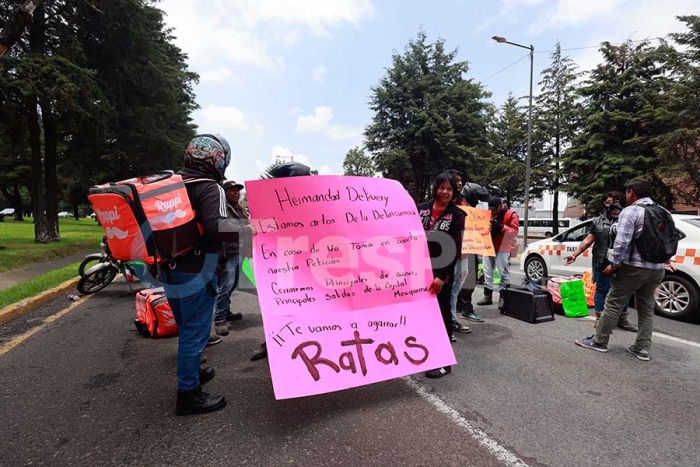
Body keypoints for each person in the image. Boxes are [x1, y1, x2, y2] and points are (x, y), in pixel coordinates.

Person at [160, 134, 255, 416]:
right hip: (198, 271)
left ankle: (194, 373)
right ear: (218, 159)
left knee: (186, 328)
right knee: (194, 333)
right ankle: (188, 394)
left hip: (169, 269)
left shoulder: (172, 185)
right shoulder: (210, 187)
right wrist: (252, 229)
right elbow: (218, 228)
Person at [575, 180, 669, 361]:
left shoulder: (631, 211)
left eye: (627, 193)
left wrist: (614, 264)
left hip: (633, 268)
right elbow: (669, 239)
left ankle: (599, 341)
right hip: (656, 269)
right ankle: (641, 348)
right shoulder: (662, 211)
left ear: (631, 192)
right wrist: (665, 260)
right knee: (646, 309)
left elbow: (621, 242)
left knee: (613, 303)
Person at [249, 161, 313, 362]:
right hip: (281, 264)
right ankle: (272, 342)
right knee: (279, 305)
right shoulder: (267, 205)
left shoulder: (315, 201)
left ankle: (318, 338)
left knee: (311, 304)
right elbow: (258, 230)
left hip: (311, 264)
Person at [564, 191, 637, 331]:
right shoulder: (597, 221)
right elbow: (589, 239)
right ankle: (600, 319)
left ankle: (623, 319)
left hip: (622, 261)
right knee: (602, 290)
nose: (613, 206)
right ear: (604, 204)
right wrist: (575, 254)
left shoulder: (627, 221)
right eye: (609, 202)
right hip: (601, 259)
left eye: (616, 202)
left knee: (624, 291)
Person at [417, 172, 466, 379]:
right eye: (442, 187)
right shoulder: (420, 209)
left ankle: (444, 362)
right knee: (422, 315)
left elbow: (453, 246)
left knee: (442, 314)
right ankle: (424, 354)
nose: (445, 192)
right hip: (417, 270)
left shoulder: (456, 215)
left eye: (449, 189)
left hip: (440, 274)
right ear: (435, 187)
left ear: (454, 192)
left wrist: (442, 276)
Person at [213, 180, 248, 337]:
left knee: (232, 285)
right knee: (225, 286)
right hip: (229, 253)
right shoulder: (223, 208)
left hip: (241, 251)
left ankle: (226, 312)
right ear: (225, 192)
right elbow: (223, 227)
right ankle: (219, 320)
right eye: (232, 190)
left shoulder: (238, 208)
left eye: (238, 190)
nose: (236, 193)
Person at [445, 169, 474, 334]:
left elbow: (474, 223)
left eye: (460, 180)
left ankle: (452, 319)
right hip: (448, 254)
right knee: (447, 289)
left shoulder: (464, 201)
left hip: (464, 252)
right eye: (456, 180)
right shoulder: (443, 202)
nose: (460, 183)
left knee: (456, 288)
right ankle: (446, 322)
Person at [477, 197, 519, 307]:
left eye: (495, 209)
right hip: (489, 246)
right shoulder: (488, 213)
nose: (493, 211)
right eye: (491, 209)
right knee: (487, 272)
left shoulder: (511, 214)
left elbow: (514, 233)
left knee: (503, 274)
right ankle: (487, 296)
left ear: (501, 205)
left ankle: (503, 298)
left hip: (503, 247)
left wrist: (501, 227)